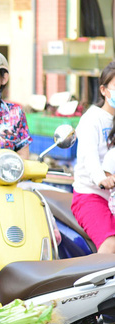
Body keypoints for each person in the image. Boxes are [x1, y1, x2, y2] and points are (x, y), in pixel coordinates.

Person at [71, 61, 115, 253]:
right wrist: (101, 179)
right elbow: (89, 156)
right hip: (91, 195)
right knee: (110, 245)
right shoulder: (92, 118)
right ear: (104, 90)